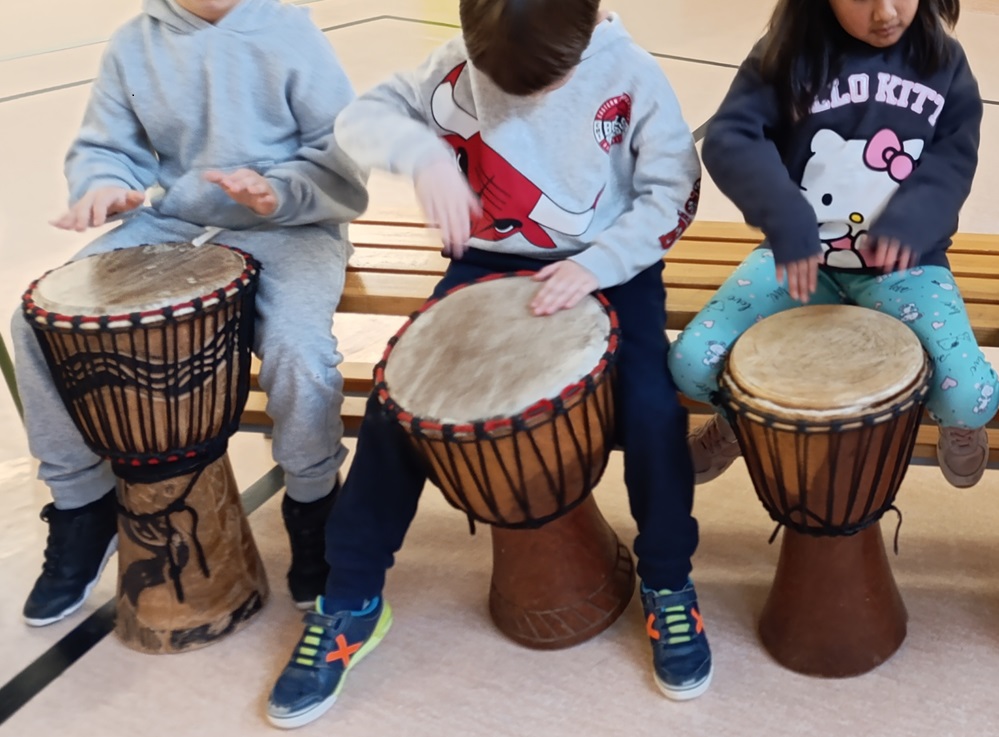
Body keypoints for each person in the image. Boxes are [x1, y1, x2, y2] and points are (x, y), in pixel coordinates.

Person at [266, 0, 712, 728]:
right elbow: (360, 117)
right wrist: (424, 154)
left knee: (653, 409)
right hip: (486, 262)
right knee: (397, 403)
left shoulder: (630, 73)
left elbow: (671, 196)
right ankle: (350, 599)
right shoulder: (455, 61)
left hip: (611, 269)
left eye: (544, 84)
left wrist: (597, 265)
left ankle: (667, 581)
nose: (524, 100)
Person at [12, 0, 368, 627]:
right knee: (37, 324)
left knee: (296, 346)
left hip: (292, 225)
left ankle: (313, 504)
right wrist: (102, 183)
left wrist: (278, 192)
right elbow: (106, 146)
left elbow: (339, 156)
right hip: (169, 222)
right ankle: (81, 508)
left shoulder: (290, 32)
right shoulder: (134, 43)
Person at [669, 0, 998, 489]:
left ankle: (961, 430)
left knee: (971, 397)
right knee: (690, 364)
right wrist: (785, 217)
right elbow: (731, 137)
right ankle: (740, 419)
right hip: (803, 263)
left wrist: (912, 222)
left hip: (906, 268)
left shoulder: (945, 61)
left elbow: (953, 159)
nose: (886, 12)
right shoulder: (787, 54)